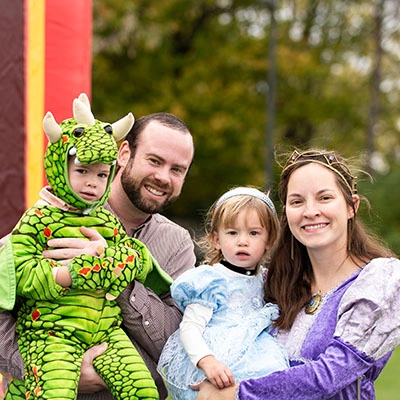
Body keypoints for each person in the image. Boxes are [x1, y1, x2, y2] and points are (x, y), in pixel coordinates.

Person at [0, 108, 196, 399]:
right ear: (124, 153)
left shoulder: (177, 243)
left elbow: (178, 343)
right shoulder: (49, 217)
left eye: (177, 169)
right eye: (154, 161)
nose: (163, 177)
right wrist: (54, 372)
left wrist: (115, 274)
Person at [195, 149, 400, 400]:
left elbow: (329, 376)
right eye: (297, 201)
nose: (310, 211)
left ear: (351, 206)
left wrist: (238, 394)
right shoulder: (275, 283)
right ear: (287, 214)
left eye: (324, 198)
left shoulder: (379, 281)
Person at [157, 186, 289, 400]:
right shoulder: (211, 279)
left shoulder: (266, 279)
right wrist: (207, 361)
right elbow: (190, 327)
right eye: (232, 232)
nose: (242, 241)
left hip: (254, 353)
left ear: (269, 242)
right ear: (216, 240)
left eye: (254, 233)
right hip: (215, 357)